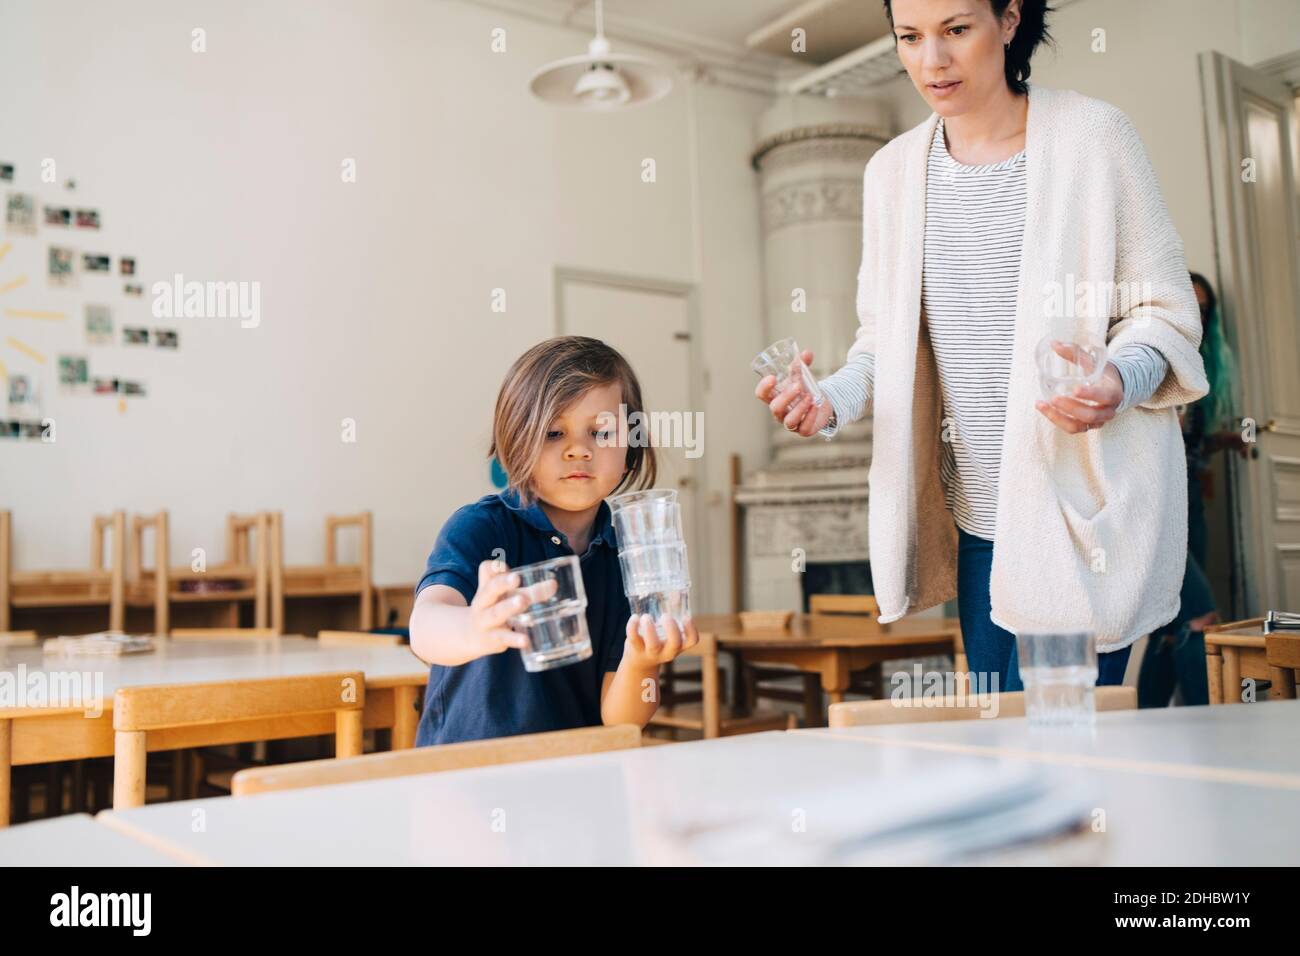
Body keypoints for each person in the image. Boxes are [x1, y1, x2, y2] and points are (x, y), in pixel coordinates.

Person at [755, 0, 1207, 693]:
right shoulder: (891, 174)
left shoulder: (1096, 138)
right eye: (909, 37)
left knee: (1083, 753)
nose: (931, 61)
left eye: (956, 30)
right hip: (982, 527)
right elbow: (884, 341)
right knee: (1009, 752)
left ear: (1010, 19)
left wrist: (1118, 377)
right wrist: (828, 403)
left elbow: (1164, 313)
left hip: (1080, 513)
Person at [409, 335, 698, 745]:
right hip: (463, 780)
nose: (578, 450)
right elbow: (425, 627)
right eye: (553, 433)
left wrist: (641, 661)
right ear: (516, 438)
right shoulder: (481, 527)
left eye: (601, 433)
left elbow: (621, 722)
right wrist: (472, 628)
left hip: (570, 779)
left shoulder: (626, 555)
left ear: (631, 447)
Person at [1138, 271, 1246, 706]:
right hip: (1158, 506)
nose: (1198, 316)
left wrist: (1228, 440)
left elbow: (1193, 444)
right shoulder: (1152, 354)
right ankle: (1213, 726)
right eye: (1192, 305)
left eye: (1205, 311)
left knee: (1172, 623)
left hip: (1191, 503)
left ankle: (1142, 717)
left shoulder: (1201, 369)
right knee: (1201, 616)